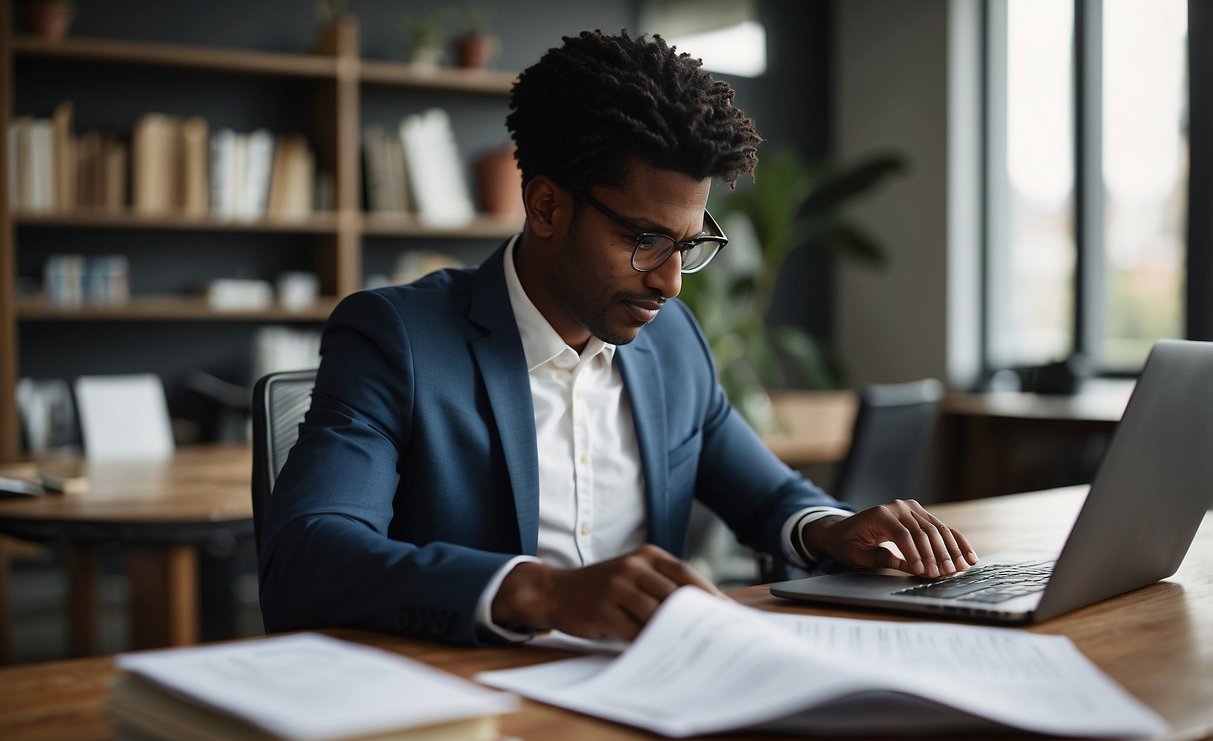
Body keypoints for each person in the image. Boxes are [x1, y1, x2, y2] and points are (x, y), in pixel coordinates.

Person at [258, 29, 977, 646]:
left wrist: (829, 531)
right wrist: (540, 594)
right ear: (544, 206)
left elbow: (765, 500)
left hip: (648, 697)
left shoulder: (672, 344)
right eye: (643, 240)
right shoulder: (400, 339)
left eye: (689, 245)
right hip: (473, 713)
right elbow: (307, 555)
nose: (671, 282)